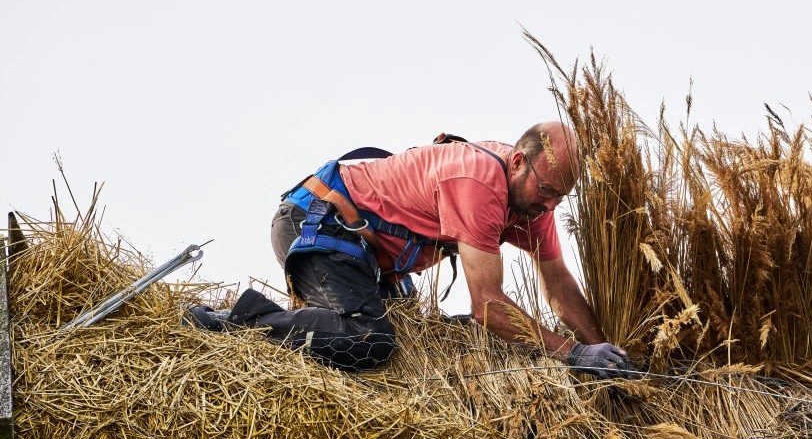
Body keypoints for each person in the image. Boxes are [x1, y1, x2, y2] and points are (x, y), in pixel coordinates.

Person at [189, 121, 633, 377]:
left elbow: (558, 286)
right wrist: (575, 354)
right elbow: (489, 307)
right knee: (368, 339)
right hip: (319, 222)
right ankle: (235, 321)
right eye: (547, 191)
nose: (549, 207)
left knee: (432, 337)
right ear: (518, 162)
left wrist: (608, 353)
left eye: (560, 198)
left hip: (370, 260)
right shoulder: (481, 184)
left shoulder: (533, 203)